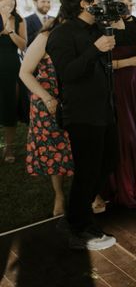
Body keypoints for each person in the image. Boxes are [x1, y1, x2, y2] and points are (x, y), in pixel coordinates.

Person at [46, 0, 136, 250]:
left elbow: (133, 36)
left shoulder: (100, 26)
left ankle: (77, 216)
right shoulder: (62, 35)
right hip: (81, 113)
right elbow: (68, 74)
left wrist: (125, 13)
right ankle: (78, 227)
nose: (101, 2)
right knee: (87, 171)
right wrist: (95, 49)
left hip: (105, 109)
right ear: (84, 3)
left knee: (107, 162)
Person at [103, 0, 136, 208]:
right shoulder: (105, 29)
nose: (125, 4)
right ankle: (122, 187)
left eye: (127, 0)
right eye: (120, 0)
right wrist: (129, 62)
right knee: (126, 136)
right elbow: (100, 64)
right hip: (117, 87)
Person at [19, 15, 73, 216]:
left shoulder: (85, 35)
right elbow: (25, 72)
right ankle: (59, 195)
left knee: (82, 147)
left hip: (76, 100)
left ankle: (90, 193)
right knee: (54, 149)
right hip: (48, 101)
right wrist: (48, 98)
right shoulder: (45, 37)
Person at [0, 0, 27, 163]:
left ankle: (9, 148)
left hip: (10, 67)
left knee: (10, 107)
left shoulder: (19, 20)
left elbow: (24, 45)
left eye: (11, 0)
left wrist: (10, 31)